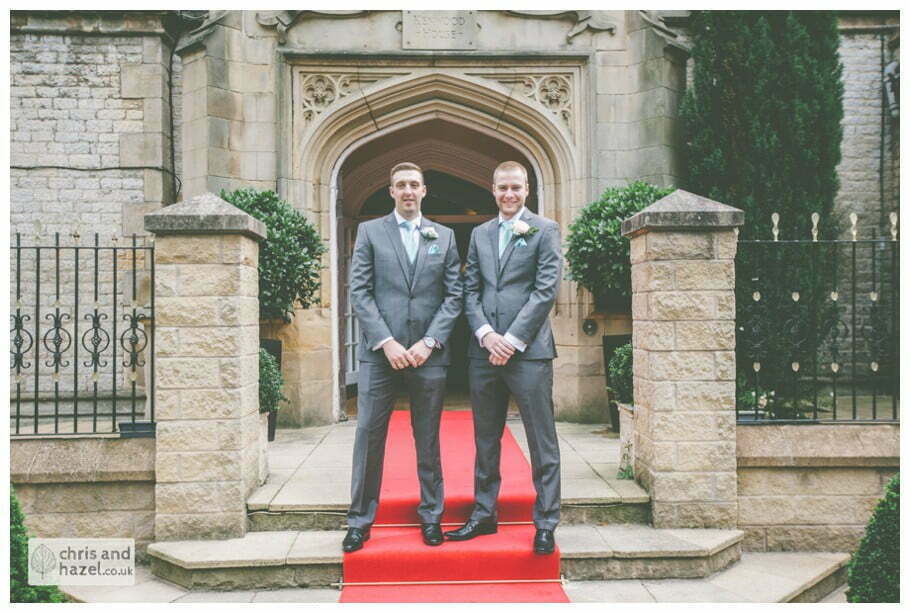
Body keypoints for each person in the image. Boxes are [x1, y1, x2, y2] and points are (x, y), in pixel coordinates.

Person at [343, 162, 463, 552]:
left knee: (427, 438)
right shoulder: (370, 232)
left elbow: (454, 295)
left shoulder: (443, 236)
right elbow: (359, 291)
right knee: (369, 436)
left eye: (414, 184)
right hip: (382, 356)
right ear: (390, 191)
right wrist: (387, 342)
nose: (408, 190)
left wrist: (429, 342)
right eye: (401, 185)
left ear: (424, 191)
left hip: (428, 355)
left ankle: (431, 516)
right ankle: (360, 521)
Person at [445, 160, 562, 554]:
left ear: (526, 189)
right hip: (484, 351)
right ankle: (484, 514)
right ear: (492, 190)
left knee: (541, 439)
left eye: (516, 187)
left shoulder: (545, 230)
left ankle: (545, 522)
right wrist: (485, 334)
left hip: (528, 353)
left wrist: (511, 339)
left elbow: (545, 291)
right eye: (502, 188)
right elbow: (470, 288)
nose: (509, 194)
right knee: (485, 437)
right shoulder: (479, 233)